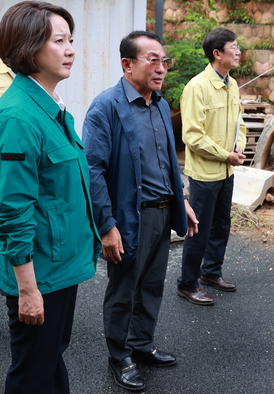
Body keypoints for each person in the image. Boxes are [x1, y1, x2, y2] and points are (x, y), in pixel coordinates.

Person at [0, 0, 101, 394]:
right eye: (59, 41)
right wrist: (28, 290)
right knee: (32, 372)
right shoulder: (17, 117)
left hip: (58, 266)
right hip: (40, 275)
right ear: (29, 47)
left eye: (71, 40)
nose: (70, 50)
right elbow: (11, 212)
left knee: (49, 359)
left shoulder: (50, 108)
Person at [83, 31, 198, 392]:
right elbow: (93, 170)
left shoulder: (161, 105)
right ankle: (119, 355)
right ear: (127, 64)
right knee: (123, 289)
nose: (161, 68)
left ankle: (141, 344)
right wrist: (106, 226)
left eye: (164, 61)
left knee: (151, 285)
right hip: (129, 216)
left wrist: (183, 200)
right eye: (153, 60)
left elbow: (167, 162)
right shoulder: (106, 107)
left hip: (163, 213)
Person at [177, 27, 246, 306]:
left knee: (221, 225)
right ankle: (187, 283)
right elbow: (192, 135)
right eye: (234, 47)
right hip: (205, 173)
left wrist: (238, 147)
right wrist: (224, 154)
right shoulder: (197, 87)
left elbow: (239, 124)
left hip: (227, 170)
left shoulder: (232, 84)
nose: (239, 52)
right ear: (217, 54)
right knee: (199, 228)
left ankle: (211, 273)